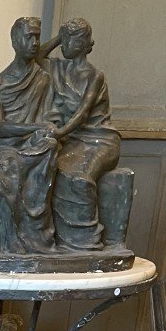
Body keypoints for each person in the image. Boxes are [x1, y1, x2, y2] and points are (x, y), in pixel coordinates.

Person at [43, 18, 121, 251]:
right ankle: (59, 240)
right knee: (43, 171)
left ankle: (85, 241)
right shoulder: (58, 68)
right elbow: (35, 57)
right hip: (72, 140)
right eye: (63, 40)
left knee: (78, 178)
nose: (63, 45)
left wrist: (58, 133)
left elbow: (82, 113)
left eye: (69, 40)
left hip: (100, 139)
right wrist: (58, 36)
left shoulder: (95, 75)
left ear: (81, 43)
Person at [0, 16, 58, 253]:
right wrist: (36, 128)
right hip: (6, 147)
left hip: (33, 145)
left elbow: (48, 121)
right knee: (7, 169)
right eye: (29, 36)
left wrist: (42, 132)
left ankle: (38, 239)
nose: (35, 42)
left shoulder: (43, 79)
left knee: (50, 145)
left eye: (37, 36)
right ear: (15, 41)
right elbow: (1, 127)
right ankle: (11, 244)